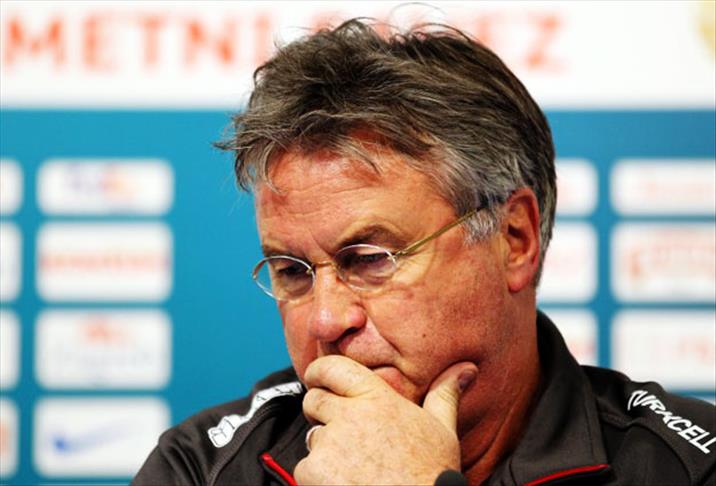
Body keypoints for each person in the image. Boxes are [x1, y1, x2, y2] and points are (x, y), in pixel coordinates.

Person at [133, 19, 716, 486]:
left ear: (514, 239)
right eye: (292, 271)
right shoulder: (202, 468)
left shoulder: (690, 467)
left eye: (368, 259)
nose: (326, 320)